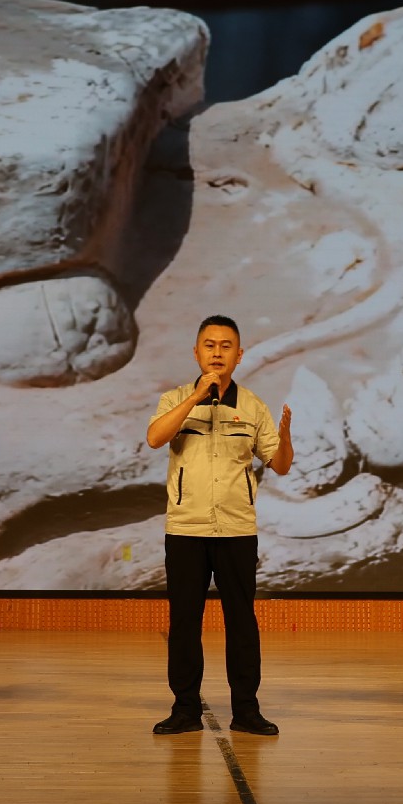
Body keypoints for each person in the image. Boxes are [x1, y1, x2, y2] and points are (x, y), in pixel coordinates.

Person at [145, 315, 292, 736]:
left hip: (237, 530)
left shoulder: (253, 406)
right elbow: (155, 437)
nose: (217, 353)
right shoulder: (175, 398)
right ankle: (185, 709)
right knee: (184, 622)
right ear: (196, 352)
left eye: (226, 346)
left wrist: (285, 436)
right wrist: (195, 398)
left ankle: (246, 710)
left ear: (239, 355)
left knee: (241, 622)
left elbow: (280, 464)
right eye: (209, 345)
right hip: (186, 529)